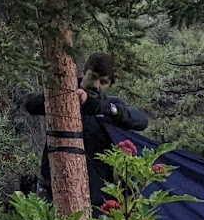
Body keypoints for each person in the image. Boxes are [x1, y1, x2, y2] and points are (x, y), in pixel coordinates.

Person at [20, 52, 151, 201]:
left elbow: (141, 121)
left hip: (98, 195)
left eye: (103, 82)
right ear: (83, 72)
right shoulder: (64, 93)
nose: (96, 85)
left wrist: (107, 109)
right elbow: (31, 105)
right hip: (56, 190)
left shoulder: (109, 106)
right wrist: (66, 95)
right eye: (93, 77)